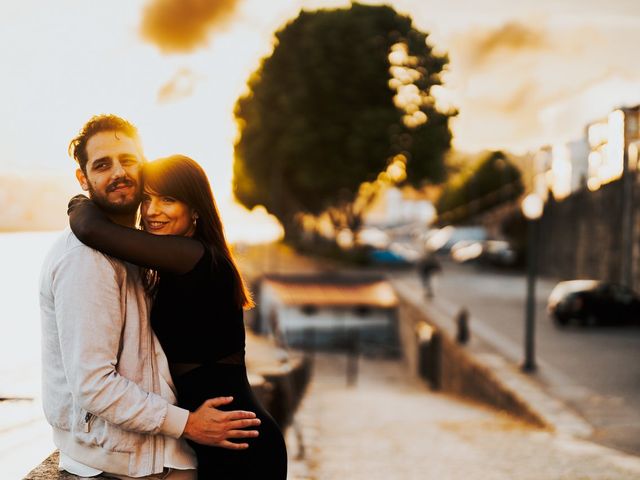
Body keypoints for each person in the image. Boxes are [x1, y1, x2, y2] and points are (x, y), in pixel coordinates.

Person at [40, 115, 260, 480]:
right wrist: (186, 424)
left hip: (232, 440)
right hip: (171, 447)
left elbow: (92, 227)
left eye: (128, 160)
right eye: (102, 164)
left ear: (194, 212)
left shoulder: (181, 257)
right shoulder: (91, 258)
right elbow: (94, 383)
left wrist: (80, 209)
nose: (119, 173)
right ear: (83, 179)